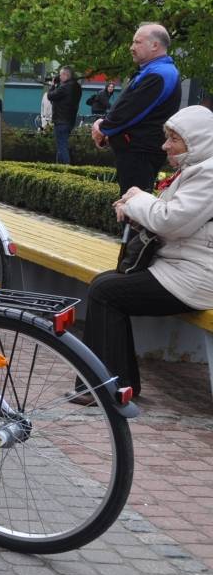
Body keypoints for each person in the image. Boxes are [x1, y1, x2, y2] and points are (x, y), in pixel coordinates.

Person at [80, 106, 213, 403]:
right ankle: (117, 384)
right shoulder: (197, 168)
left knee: (106, 292)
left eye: (174, 139)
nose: (165, 146)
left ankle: (108, 389)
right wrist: (136, 205)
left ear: (197, 140)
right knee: (104, 285)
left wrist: (137, 199)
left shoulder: (209, 173)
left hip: (198, 276)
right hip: (183, 267)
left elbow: (171, 221)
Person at [92, 23, 181, 195]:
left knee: (133, 204)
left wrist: (103, 128)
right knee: (131, 202)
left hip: (140, 152)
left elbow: (130, 111)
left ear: (154, 45)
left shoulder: (159, 74)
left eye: (137, 42)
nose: (131, 47)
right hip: (138, 151)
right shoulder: (155, 71)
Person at [47, 65, 83, 164]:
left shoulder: (65, 87)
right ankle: (58, 167)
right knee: (61, 145)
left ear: (65, 75)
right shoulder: (77, 87)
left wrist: (52, 85)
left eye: (60, 75)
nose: (59, 77)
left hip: (61, 120)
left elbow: (50, 96)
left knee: (62, 146)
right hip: (70, 120)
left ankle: (66, 168)